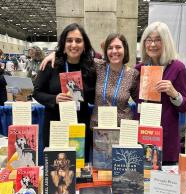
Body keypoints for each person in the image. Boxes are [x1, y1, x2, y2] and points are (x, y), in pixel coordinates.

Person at [33, 23, 96, 162]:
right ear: (63, 43)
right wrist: (54, 99)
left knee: (78, 166)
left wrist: (82, 94)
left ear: (84, 45)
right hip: (56, 124)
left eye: (78, 40)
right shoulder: (51, 65)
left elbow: (92, 98)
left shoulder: (90, 68)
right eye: (69, 40)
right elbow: (36, 93)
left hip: (79, 124)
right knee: (56, 166)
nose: (74, 44)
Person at [134, 22, 186, 164]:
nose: (152, 44)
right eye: (149, 40)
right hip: (142, 135)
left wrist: (174, 93)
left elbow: (184, 107)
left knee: (163, 183)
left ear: (166, 42)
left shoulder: (177, 68)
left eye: (158, 40)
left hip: (166, 138)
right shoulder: (138, 69)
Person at [90, 33, 139, 127]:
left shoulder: (133, 74)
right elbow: (81, 55)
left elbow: (139, 100)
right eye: (110, 48)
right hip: (98, 128)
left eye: (118, 47)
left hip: (123, 128)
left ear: (125, 49)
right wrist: (55, 54)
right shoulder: (98, 66)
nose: (114, 51)